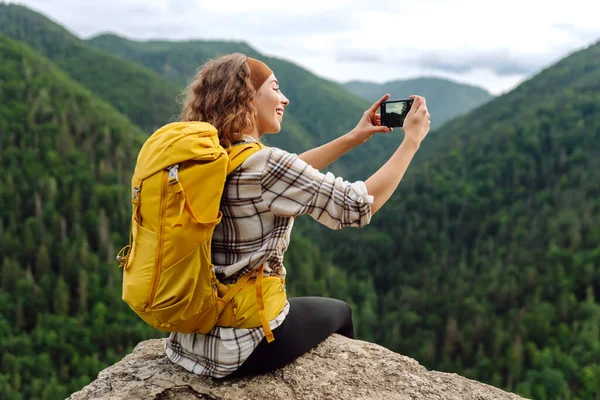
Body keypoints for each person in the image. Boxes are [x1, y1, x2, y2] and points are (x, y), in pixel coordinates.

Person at [164, 53, 431, 378]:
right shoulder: (265, 166)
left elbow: (286, 175)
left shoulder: (211, 158)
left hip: (188, 339)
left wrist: (352, 137)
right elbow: (358, 206)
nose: (285, 99)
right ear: (248, 96)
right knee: (340, 312)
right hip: (244, 347)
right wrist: (411, 142)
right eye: (275, 88)